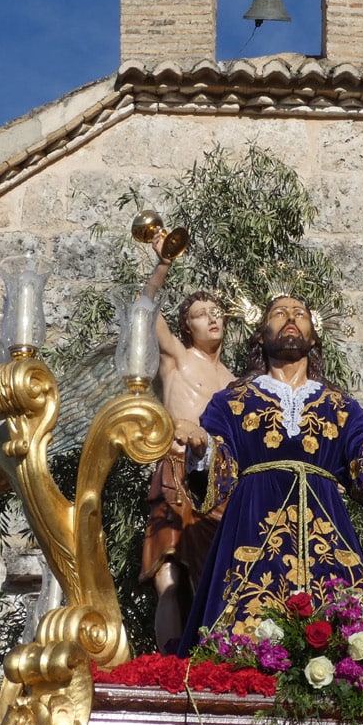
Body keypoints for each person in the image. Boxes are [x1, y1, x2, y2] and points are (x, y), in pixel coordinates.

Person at [173, 295, 363, 652]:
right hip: (252, 530)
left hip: (326, 536)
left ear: (313, 337)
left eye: (300, 314)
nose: (290, 319)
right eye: (279, 314)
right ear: (260, 336)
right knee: (238, 640)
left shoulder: (340, 405)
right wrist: (201, 444)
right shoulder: (232, 400)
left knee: (346, 634)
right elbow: (219, 463)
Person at [138, 239, 235, 654]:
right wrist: (163, 264)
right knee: (170, 575)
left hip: (220, 483)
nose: (211, 319)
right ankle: (168, 662)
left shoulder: (235, 381)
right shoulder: (177, 356)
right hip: (177, 468)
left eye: (216, 313)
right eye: (199, 314)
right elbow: (144, 310)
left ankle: (215, 659)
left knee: (219, 579)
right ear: (186, 327)